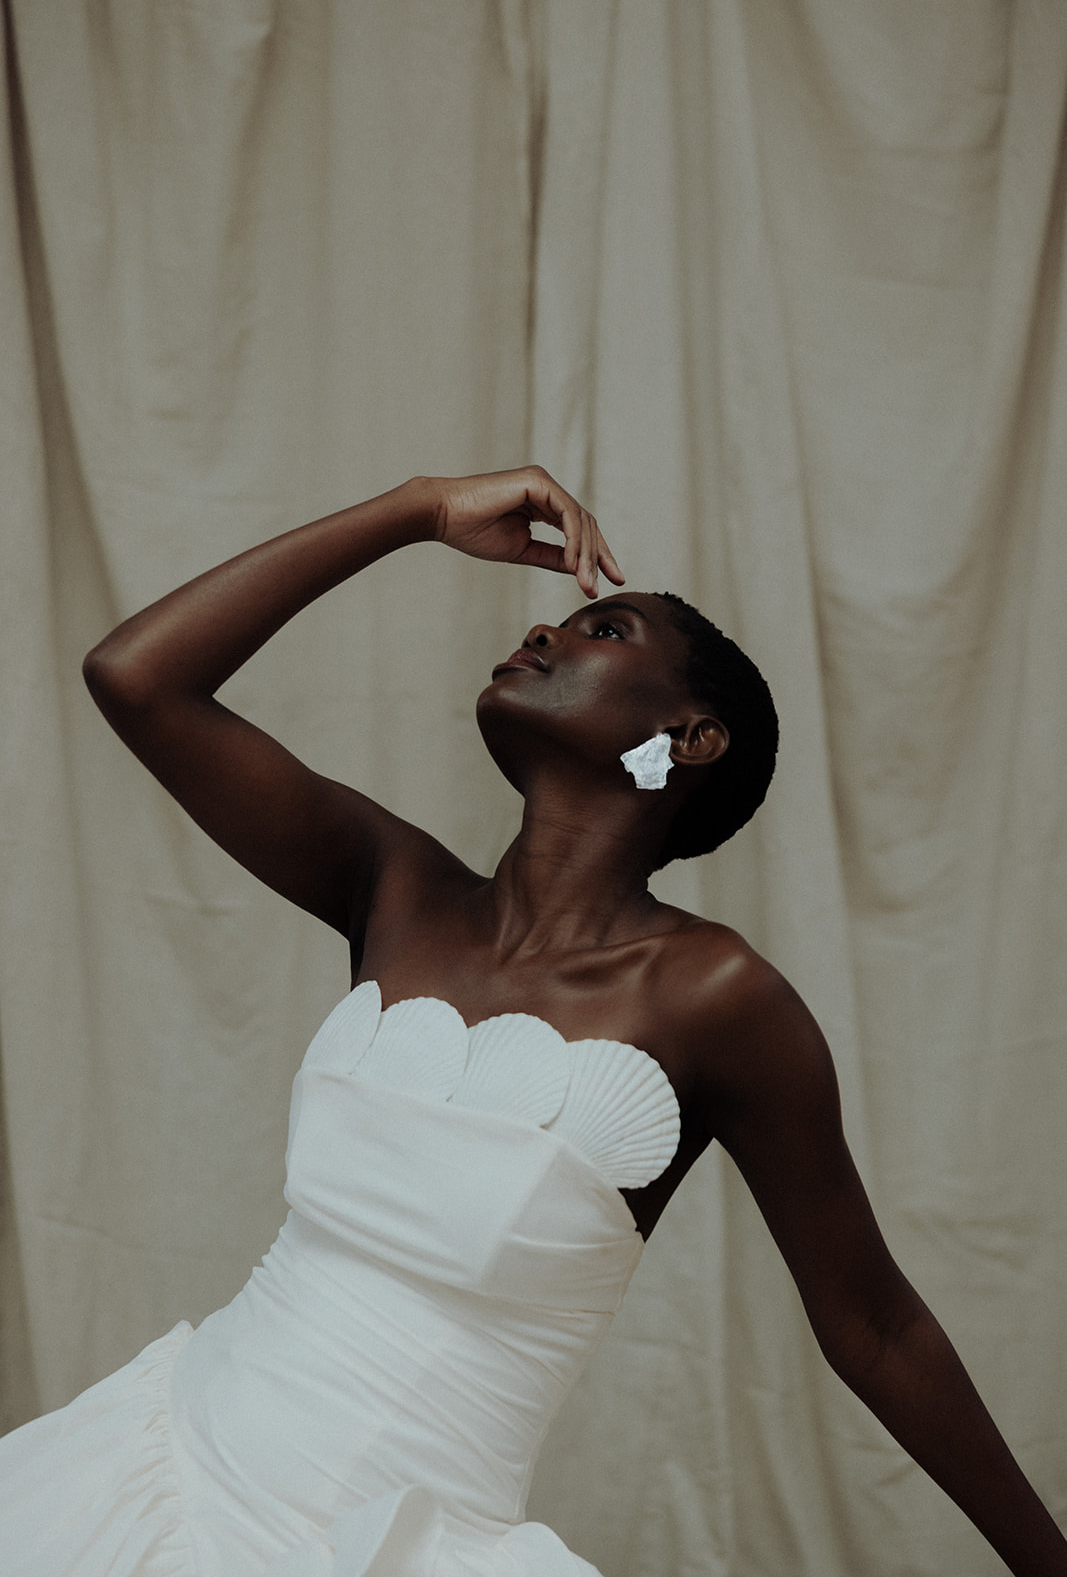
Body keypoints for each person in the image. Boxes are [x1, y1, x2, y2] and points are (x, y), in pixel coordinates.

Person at [1, 466, 1064, 1577]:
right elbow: (136, 677)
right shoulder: (397, 889)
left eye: (601, 628)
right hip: (159, 1480)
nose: (544, 633)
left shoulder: (714, 996)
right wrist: (415, 510)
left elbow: (873, 1327)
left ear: (687, 738)